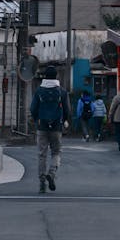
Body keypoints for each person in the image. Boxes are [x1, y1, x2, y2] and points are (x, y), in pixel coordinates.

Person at [30, 65, 70, 193]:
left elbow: (33, 109)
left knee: (42, 154)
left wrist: (37, 120)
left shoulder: (39, 91)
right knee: (56, 152)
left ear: (45, 76)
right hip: (56, 127)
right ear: (57, 76)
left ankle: (42, 182)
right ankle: (51, 173)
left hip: (42, 126)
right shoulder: (62, 92)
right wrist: (64, 121)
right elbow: (67, 110)